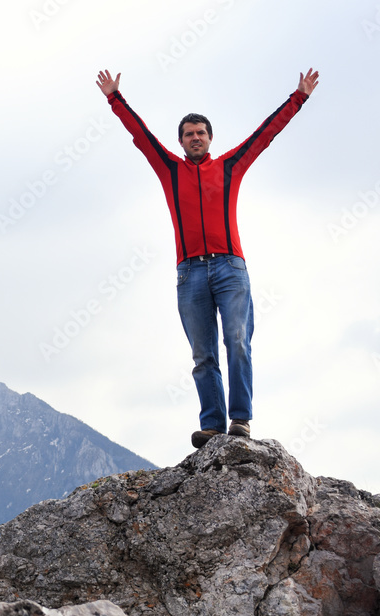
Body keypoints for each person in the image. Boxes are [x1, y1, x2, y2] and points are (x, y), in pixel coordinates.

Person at [96, 67, 319, 448]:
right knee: (203, 354)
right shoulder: (169, 169)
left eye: (200, 133)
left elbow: (265, 135)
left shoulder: (229, 166)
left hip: (230, 267)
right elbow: (141, 135)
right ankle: (212, 424)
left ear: (210, 138)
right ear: (181, 142)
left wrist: (298, 97)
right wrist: (115, 98)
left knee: (237, 340)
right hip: (190, 273)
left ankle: (241, 420)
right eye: (188, 134)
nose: (195, 138)